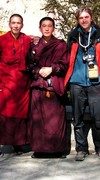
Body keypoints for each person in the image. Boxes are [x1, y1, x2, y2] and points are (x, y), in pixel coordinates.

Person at [64, 6, 100, 161]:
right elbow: (68, 58)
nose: (84, 20)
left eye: (86, 17)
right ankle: (81, 148)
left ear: (91, 17)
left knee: (97, 118)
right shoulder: (72, 36)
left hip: (95, 82)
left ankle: (99, 147)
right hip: (76, 81)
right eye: (81, 18)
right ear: (78, 20)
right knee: (77, 118)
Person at [27, 17, 69, 158]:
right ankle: (39, 149)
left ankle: (57, 149)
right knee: (38, 119)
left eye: (49, 26)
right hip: (38, 86)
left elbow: (65, 65)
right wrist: (38, 71)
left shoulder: (60, 45)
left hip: (54, 86)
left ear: (53, 28)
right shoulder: (34, 45)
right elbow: (29, 65)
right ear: (40, 28)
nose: (46, 28)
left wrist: (52, 69)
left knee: (55, 120)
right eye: (44, 26)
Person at [0, 14, 32, 153]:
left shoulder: (27, 40)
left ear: (22, 25)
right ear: (9, 24)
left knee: (20, 114)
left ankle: (18, 143)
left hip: (22, 84)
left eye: (18, 23)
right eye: (13, 23)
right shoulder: (1, 40)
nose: (16, 25)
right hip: (5, 82)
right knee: (4, 113)